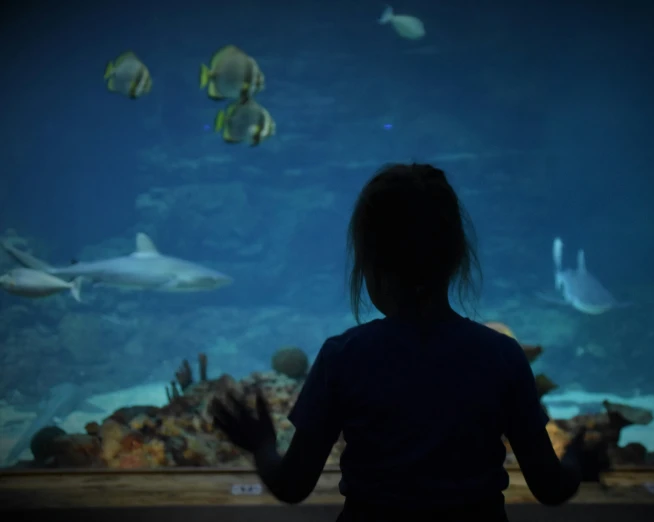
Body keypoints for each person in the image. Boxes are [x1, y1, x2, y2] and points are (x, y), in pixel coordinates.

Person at [211, 163, 585, 521]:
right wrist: (578, 461)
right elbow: (551, 487)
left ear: (369, 262)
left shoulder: (344, 356)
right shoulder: (503, 355)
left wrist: (260, 445)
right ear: (456, 257)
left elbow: (292, 485)